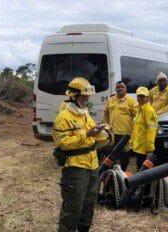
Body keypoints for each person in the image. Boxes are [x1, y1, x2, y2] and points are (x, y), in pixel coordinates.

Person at [52, 77, 108, 232]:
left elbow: (94, 136)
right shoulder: (63, 117)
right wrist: (86, 134)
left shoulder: (84, 113)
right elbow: (62, 142)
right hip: (75, 167)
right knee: (73, 206)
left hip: (92, 165)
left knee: (89, 204)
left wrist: (103, 132)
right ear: (74, 96)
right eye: (84, 96)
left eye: (88, 96)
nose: (87, 98)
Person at [102, 81, 137, 171]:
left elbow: (138, 115)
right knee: (110, 156)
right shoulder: (111, 100)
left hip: (125, 135)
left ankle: (122, 173)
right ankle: (109, 174)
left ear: (125, 89)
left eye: (122, 87)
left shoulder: (131, 101)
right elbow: (106, 114)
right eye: (118, 87)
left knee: (124, 157)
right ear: (115, 89)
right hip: (112, 133)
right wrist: (106, 126)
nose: (120, 88)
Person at [129, 86, 158, 170]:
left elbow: (151, 130)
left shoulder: (149, 110)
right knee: (140, 169)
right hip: (139, 146)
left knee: (144, 170)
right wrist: (131, 142)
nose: (140, 98)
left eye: (143, 96)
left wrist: (150, 147)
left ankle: (146, 183)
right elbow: (136, 129)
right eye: (139, 96)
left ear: (147, 98)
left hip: (145, 147)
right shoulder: (140, 109)